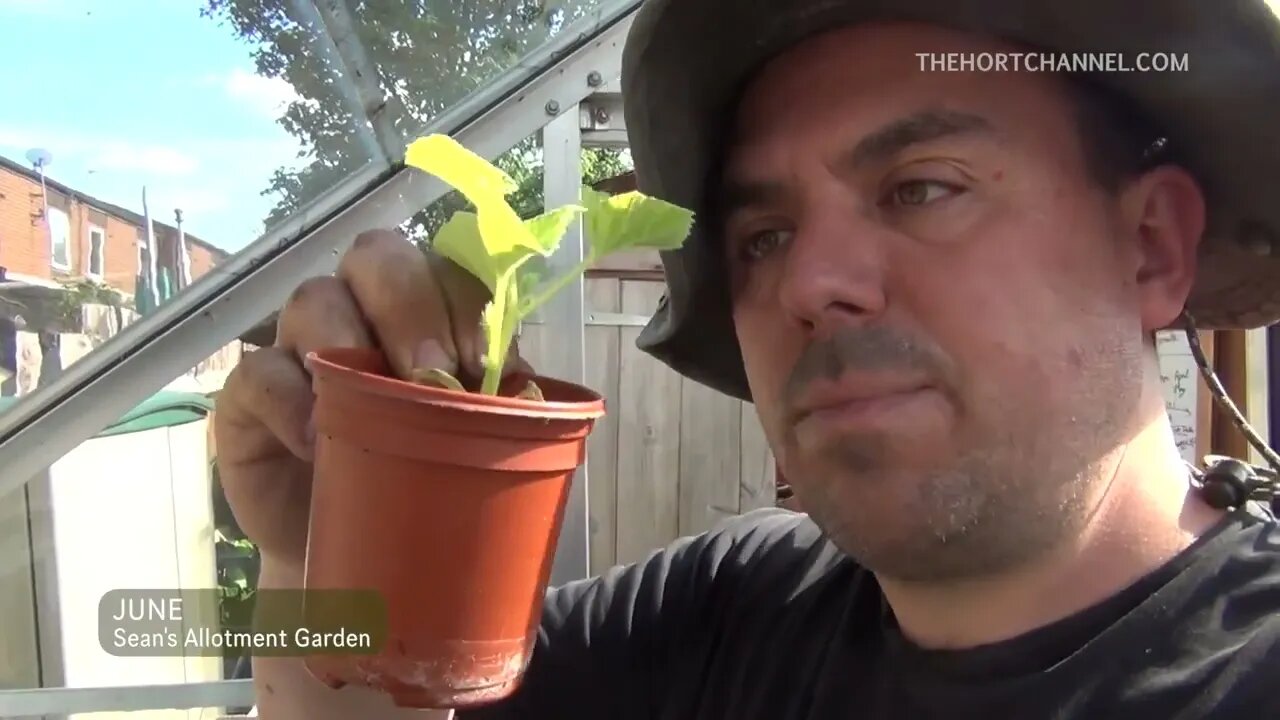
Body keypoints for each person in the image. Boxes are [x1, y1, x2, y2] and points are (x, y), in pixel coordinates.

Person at [214, 0, 1280, 717]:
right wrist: (324, 559)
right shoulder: (725, 614)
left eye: (920, 186)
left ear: (1149, 248)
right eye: (761, 237)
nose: (807, 283)